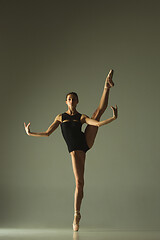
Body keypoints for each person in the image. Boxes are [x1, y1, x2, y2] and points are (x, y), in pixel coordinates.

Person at [24, 69, 118, 231]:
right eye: (69, 99)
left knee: (97, 113)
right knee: (79, 183)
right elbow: (47, 133)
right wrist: (30, 133)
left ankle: (106, 86)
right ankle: (77, 214)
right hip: (75, 150)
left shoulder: (81, 117)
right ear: (66, 102)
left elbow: (96, 124)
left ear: (77, 101)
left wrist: (113, 118)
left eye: (74, 99)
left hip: (84, 142)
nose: (71, 101)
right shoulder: (60, 117)